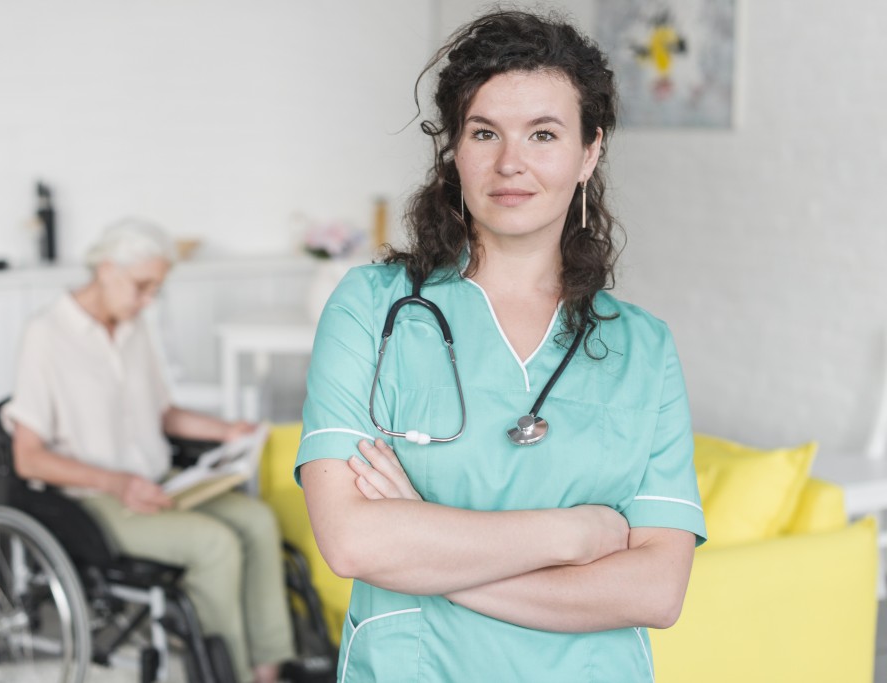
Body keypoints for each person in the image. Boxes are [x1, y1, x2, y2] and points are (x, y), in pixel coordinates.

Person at [295, 10, 706, 682]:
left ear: (589, 151)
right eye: (485, 132)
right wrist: (569, 536)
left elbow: (656, 589)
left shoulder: (644, 348)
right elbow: (352, 540)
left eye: (544, 134)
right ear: (454, 148)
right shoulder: (373, 306)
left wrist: (427, 542)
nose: (510, 163)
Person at [1, 218, 294, 683]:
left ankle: (269, 673)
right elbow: (28, 456)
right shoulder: (46, 334)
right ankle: (226, 675)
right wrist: (118, 483)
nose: (149, 299)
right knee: (214, 545)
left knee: (258, 522)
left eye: (156, 287)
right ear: (106, 270)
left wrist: (228, 431)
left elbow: (163, 413)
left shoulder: (134, 326)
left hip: (158, 482)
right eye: (142, 286)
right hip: (95, 498)